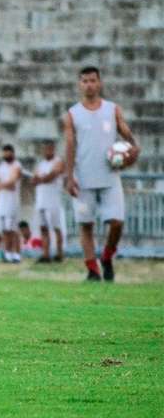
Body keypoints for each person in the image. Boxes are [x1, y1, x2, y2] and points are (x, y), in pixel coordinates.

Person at [63, 66, 140, 282]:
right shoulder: (72, 114)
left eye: (93, 80)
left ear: (100, 83)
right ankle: (92, 270)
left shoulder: (112, 109)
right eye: (85, 81)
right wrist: (70, 177)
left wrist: (134, 148)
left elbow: (126, 133)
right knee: (86, 224)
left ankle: (106, 256)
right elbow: (69, 146)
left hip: (109, 175)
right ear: (80, 84)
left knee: (116, 222)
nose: (89, 84)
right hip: (83, 177)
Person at [32, 139, 66, 263]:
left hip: (53, 200)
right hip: (41, 199)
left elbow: (52, 176)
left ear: (53, 148)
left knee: (56, 227)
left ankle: (59, 253)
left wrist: (41, 178)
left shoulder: (58, 162)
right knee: (43, 227)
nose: (47, 151)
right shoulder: (41, 164)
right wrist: (41, 179)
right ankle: (45, 254)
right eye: (45, 148)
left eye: (49, 148)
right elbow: (34, 180)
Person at [0, 144, 22, 263]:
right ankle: (7, 253)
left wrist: (1, 185)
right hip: (2, 201)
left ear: (13, 153)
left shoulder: (17, 165)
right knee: (4, 229)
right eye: (5, 153)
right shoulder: (1, 166)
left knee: (12, 229)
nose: (6, 156)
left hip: (12, 201)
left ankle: (17, 254)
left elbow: (12, 183)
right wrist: (2, 185)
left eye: (8, 153)